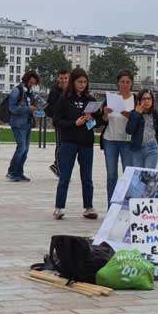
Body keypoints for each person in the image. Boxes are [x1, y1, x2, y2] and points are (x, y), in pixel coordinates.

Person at [51, 68, 98, 220]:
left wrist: (92, 120)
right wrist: (74, 123)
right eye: (79, 82)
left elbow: (97, 122)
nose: (82, 85)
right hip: (69, 141)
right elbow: (57, 120)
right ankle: (59, 207)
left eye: (84, 82)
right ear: (73, 82)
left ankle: (88, 207)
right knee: (65, 175)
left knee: (87, 177)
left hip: (86, 142)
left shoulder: (90, 100)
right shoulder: (64, 99)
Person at [100, 69, 136, 204]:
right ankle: (112, 205)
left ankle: (128, 204)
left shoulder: (135, 99)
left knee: (128, 173)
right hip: (110, 139)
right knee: (111, 175)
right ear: (118, 83)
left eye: (127, 82)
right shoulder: (110, 98)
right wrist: (104, 113)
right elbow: (102, 121)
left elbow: (139, 120)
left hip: (127, 140)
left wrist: (130, 116)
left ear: (131, 83)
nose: (125, 85)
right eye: (122, 82)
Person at [6, 70, 40, 182]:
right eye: (30, 82)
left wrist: (35, 108)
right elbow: (12, 108)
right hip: (18, 124)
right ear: (25, 80)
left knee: (25, 150)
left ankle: (19, 172)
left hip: (27, 124)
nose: (32, 85)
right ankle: (12, 172)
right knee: (21, 148)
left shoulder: (29, 92)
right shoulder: (17, 91)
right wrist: (27, 109)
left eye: (34, 83)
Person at [125, 89, 158, 169]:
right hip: (137, 148)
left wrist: (157, 135)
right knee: (139, 175)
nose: (146, 101)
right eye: (144, 99)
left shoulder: (156, 115)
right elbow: (129, 130)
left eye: (149, 99)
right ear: (139, 101)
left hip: (152, 148)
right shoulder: (134, 113)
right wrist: (137, 114)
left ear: (152, 101)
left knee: (148, 175)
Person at [45, 69, 70, 176]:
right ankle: (58, 167)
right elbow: (49, 107)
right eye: (61, 78)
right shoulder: (54, 91)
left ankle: (58, 165)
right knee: (60, 144)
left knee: (67, 145)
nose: (63, 80)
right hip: (59, 122)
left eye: (65, 78)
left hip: (70, 122)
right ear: (58, 79)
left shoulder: (71, 90)